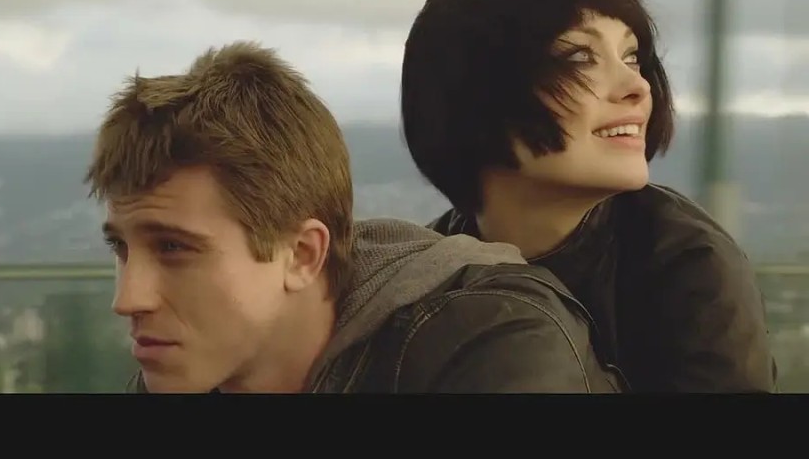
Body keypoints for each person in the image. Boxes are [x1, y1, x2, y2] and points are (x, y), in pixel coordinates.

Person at [83, 40, 621, 393]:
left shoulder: (489, 347)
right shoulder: (192, 370)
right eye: (121, 248)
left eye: (173, 248)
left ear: (302, 255)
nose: (128, 299)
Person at [399, 0, 776, 392]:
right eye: (580, 56)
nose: (638, 86)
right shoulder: (414, 279)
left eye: (632, 57)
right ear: (473, 92)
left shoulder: (691, 267)